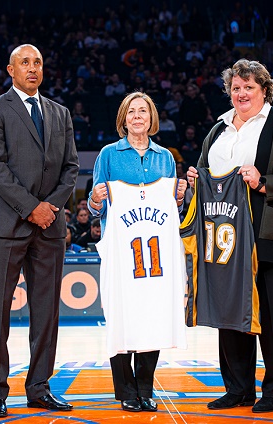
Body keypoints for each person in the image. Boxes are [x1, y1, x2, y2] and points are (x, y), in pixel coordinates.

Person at [186, 58, 273, 413]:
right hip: (225, 241)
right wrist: (195, 178)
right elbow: (204, 170)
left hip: (271, 237)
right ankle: (238, 388)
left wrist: (264, 183)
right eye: (236, 87)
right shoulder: (218, 130)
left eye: (249, 87)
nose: (241, 93)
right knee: (231, 315)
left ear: (264, 90)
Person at [0, 43, 79, 417]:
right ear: (11, 70)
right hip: (8, 226)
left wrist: (48, 207)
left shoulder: (60, 112)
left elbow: (71, 168)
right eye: (25, 62)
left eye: (38, 62)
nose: (32, 68)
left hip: (50, 226)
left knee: (47, 313)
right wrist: (30, 207)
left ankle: (39, 387)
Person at [88, 91, 187, 412]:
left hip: (156, 258)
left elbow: (173, 206)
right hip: (121, 255)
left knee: (153, 319)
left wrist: (181, 194)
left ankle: (145, 388)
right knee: (121, 318)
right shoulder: (108, 155)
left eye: (143, 111)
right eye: (131, 112)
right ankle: (126, 391)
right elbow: (93, 206)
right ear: (123, 119)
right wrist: (97, 199)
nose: (137, 116)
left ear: (152, 118)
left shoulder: (166, 158)